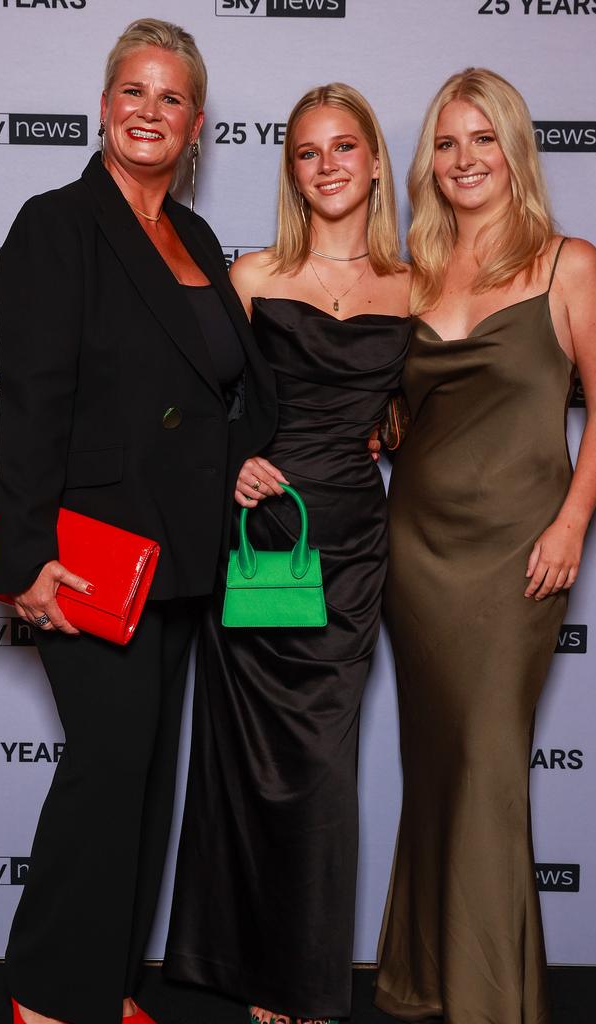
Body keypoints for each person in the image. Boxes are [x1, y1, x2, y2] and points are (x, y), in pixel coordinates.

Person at [0, 19, 276, 1024]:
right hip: (87, 557)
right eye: (132, 91)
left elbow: (225, 390)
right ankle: (46, 997)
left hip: (186, 555)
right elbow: (30, 401)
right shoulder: (55, 224)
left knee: (148, 778)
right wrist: (27, 556)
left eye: (170, 98)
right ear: (105, 104)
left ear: (197, 125)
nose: (149, 111)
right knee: (106, 772)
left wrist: (281, 450)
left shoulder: (194, 239)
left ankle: (104, 987)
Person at [374, 68, 596, 1023]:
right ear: (429, 163)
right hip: (418, 554)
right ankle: (424, 978)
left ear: (515, 149)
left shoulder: (572, 265)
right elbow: (404, 416)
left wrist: (569, 524)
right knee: (437, 762)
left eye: (483, 138)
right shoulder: (413, 272)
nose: (464, 158)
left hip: (521, 549)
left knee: (485, 763)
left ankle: (489, 1000)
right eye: (446, 143)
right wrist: (377, 426)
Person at [164, 84, 411, 1024]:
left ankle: (304, 982)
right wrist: (231, 466)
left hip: (347, 544)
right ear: (291, 171)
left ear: (378, 161)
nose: (328, 165)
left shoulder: (418, 283)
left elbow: (443, 407)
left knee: (320, 763)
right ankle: (246, 971)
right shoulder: (254, 275)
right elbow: (194, 407)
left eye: (345, 147)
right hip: (261, 539)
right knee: (247, 759)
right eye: (307, 153)